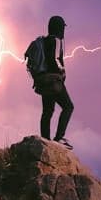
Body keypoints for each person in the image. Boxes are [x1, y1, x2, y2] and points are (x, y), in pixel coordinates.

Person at [34, 15, 74, 149]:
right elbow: (55, 59)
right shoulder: (56, 40)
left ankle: (45, 140)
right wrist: (62, 72)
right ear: (59, 28)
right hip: (54, 81)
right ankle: (59, 138)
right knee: (68, 106)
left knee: (47, 111)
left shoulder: (43, 41)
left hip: (43, 81)